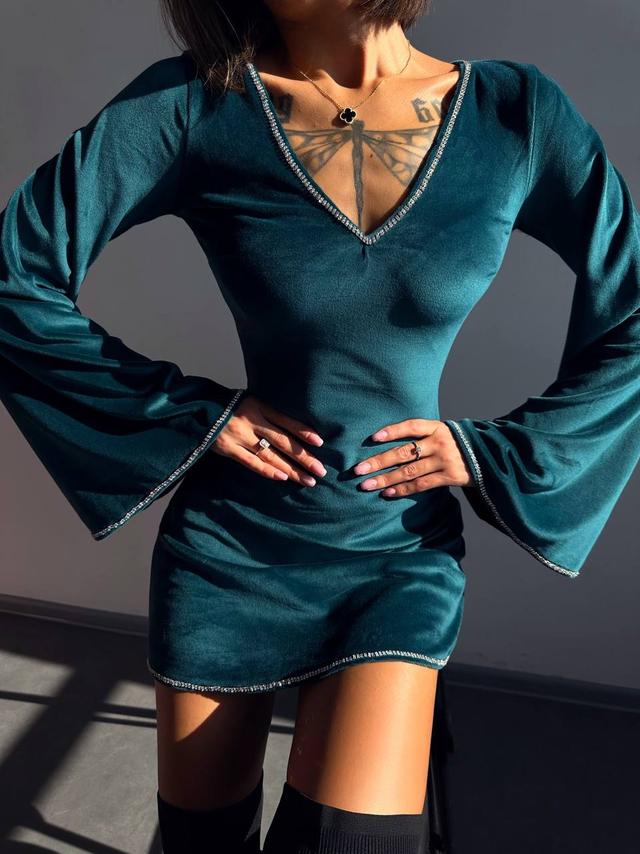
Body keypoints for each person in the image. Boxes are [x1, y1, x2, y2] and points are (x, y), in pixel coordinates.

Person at [1, 0, 639, 851]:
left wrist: (498, 453)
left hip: (396, 550)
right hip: (232, 550)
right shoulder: (194, 104)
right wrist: (191, 413)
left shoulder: (517, 115)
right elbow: (13, 275)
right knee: (202, 844)